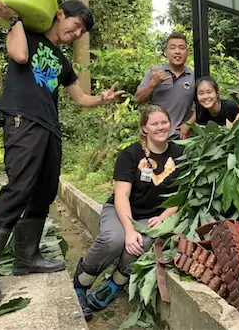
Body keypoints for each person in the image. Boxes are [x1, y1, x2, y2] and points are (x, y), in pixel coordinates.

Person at [0, 0, 124, 304]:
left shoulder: (63, 62)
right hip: (23, 118)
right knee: (19, 190)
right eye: (76, 26)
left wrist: (103, 98)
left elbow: (79, 99)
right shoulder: (28, 35)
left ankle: (27, 258)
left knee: (45, 191)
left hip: (49, 126)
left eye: (81, 32)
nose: (76, 34)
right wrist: (15, 21)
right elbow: (19, 55)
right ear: (61, 15)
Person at [73, 105, 183, 321]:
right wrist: (130, 229)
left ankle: (114, 284)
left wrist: (164, 217)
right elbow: (121, 195)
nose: (161, 127)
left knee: (142, 244)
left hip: (154, 216)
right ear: (144, 128)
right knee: (114, 239)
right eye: (155, 123)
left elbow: (183, 193)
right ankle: (80, 285)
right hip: (121, 210)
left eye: (164, 122)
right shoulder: (131, 154)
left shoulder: (180, 153)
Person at [134, 32, 195, 139]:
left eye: (181, 48)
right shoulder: (154, 74)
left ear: (187, 52)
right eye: (172, 48)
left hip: (182, 139)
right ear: (166, 52)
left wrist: (190, 123)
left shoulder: (194, 77)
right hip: (156, 137)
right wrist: (153, 84)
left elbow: (203, 105)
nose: (177, 52)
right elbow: (138, 99)